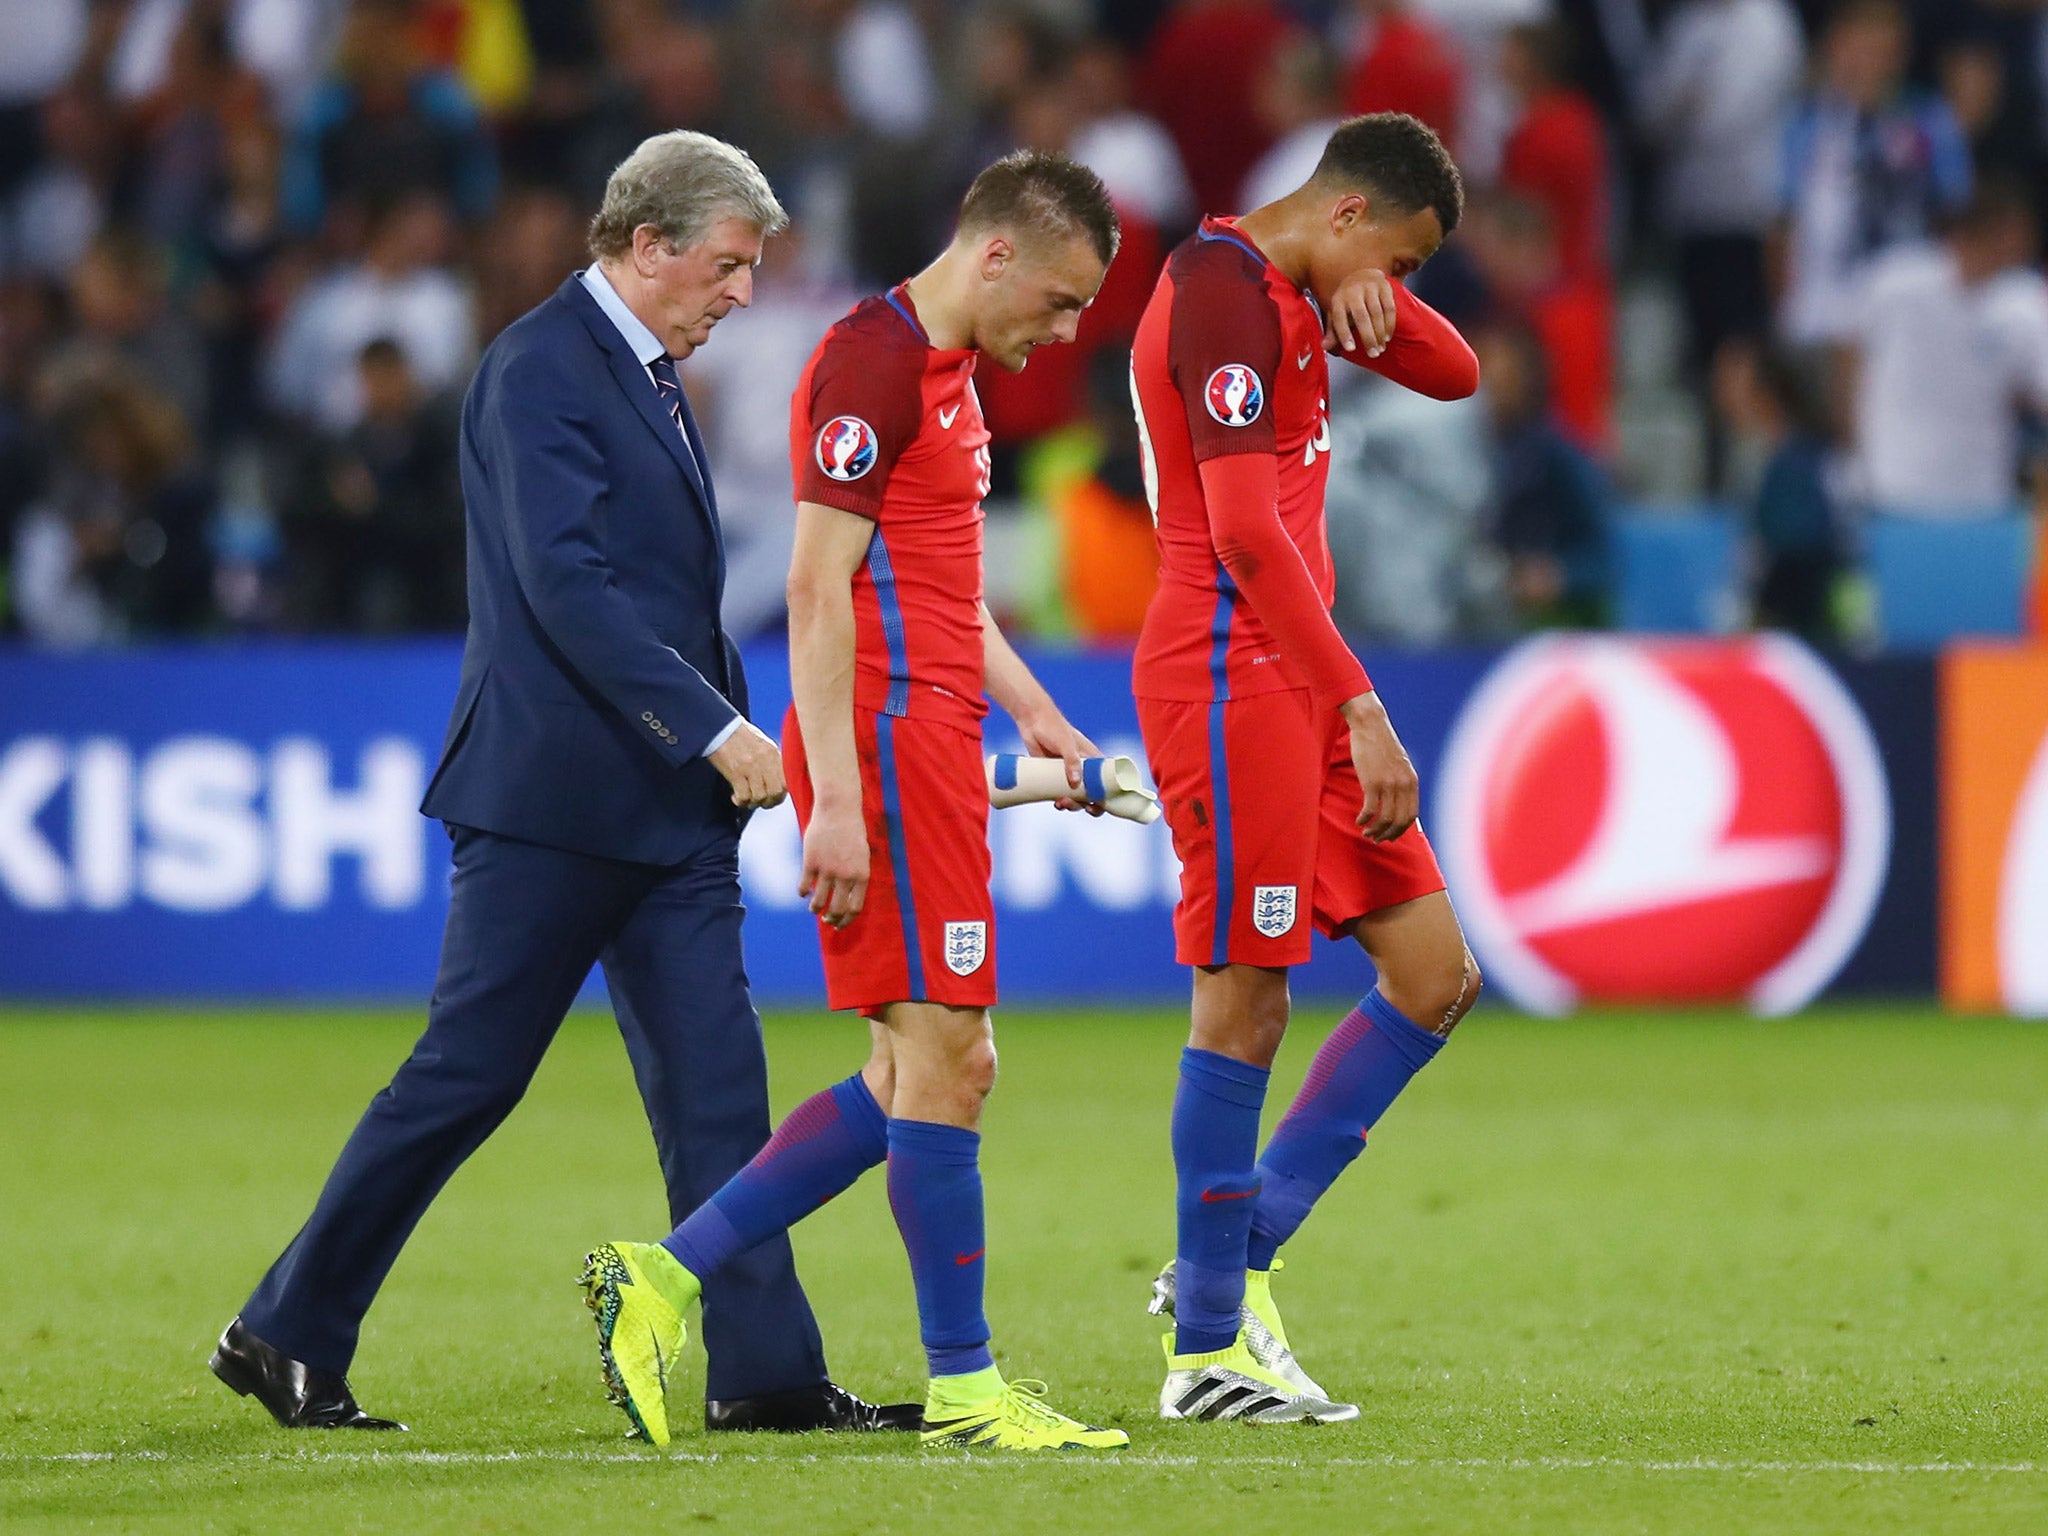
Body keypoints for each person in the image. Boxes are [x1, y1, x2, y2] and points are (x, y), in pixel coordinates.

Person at [210, 131, 915, 1439]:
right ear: (647, 248)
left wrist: (702, 755)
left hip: (669, 818)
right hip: (553, 803)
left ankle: (763, 1371)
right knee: (466, 1076)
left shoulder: (638, 370)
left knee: (721, 1092)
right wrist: (713, 727)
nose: (742, 294)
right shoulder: (539, 368)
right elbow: (566, 587)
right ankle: (287, 1328)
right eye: (727, 265)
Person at [581, 150, 1131, 1454]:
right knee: (948, 1060)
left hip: (930, 735)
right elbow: (819, 589)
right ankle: (965, 1386)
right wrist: (832, 795)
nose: (1059, 334)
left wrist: (1036, 709)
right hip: (879, 743)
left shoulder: (946, 376)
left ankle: (660, 1277)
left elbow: (942, 581)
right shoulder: (874, 365)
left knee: (922, 1066)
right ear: (994, 254)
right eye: (1056, 303)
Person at [1128, 112, 1482, 1421]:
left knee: (1435, 974)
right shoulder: (1223, 296)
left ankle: (1228, 1255)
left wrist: (1373, 282)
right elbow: (1245, 534)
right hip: (1232, 670)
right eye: (1401, 252)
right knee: (1247, 995)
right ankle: (1205, 1355)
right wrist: (1362, 707)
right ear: (1341, 214)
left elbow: (1457, 375)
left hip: (1296, 677)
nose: (1407, 284)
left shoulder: (1303, 284)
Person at [1845, 177, 2048, 516]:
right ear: (1978, 232)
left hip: (1979, 491)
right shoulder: (1895, 281)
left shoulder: (2024, 304)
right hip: (1893, 482)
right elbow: (1848, 354)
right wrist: (1850, 440)